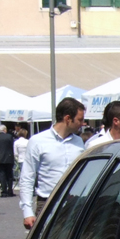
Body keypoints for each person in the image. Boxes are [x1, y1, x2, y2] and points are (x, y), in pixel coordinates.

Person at [20, 97, 86, 230]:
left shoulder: (78, 142)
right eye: (80, 119)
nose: (83, 123)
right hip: (47, 203)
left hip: (74, 203)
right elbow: (27, 177)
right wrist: (27, 211)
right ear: (68, 119)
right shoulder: (38, 141)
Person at [0, 124, 16, 197]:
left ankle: (4, 191)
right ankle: (10, 190)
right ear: (5, 130)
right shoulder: (9, 137)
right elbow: (12, 146)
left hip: (0, 158)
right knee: (9, 175)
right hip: (9, 158)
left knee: (2, 174)